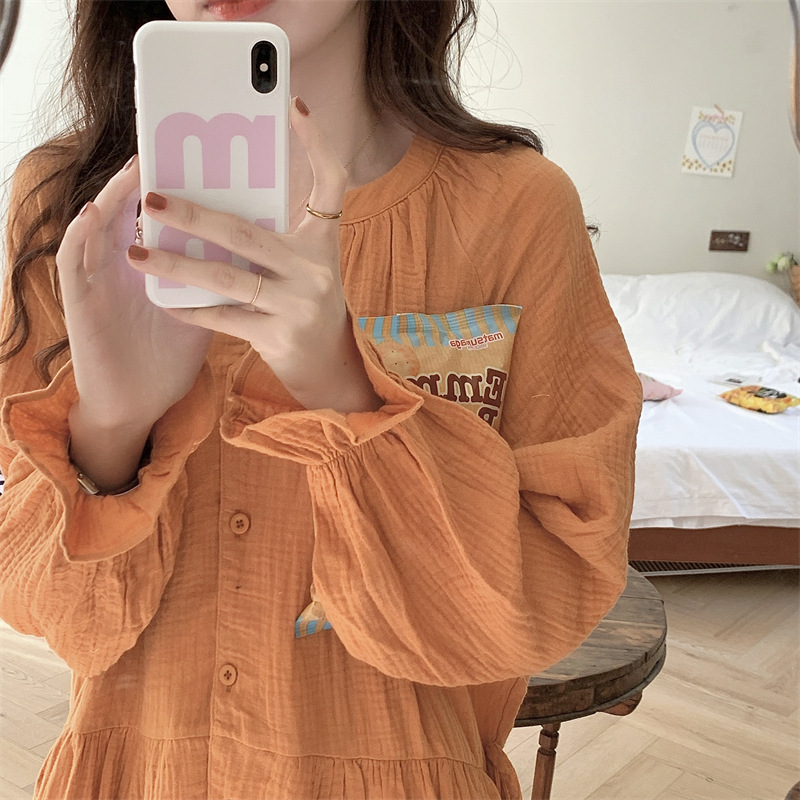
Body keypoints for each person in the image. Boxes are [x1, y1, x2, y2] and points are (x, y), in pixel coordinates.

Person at [0, 0, 642, 798]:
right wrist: (111, 427)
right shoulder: (72, 208)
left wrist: (345, 391)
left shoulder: (514, 210)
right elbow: (45, 608)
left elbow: (548, 602)